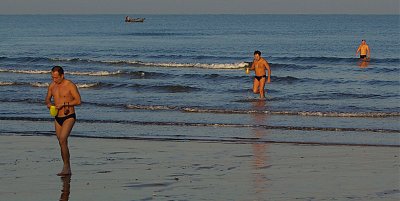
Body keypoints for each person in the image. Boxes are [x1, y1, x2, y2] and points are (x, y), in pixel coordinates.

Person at [45, 66, 81, 176]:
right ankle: (65, 165)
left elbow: (78, 101)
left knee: (62, 138)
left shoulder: (70, 85)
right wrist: (49, 104)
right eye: (52, 77)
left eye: (56, 78)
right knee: (61, 142)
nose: (54, 80)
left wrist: (64, 104)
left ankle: (67, 167)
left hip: (69, 116)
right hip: (57, 117)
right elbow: (47, 98)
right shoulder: (52, 85)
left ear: (62, 75)